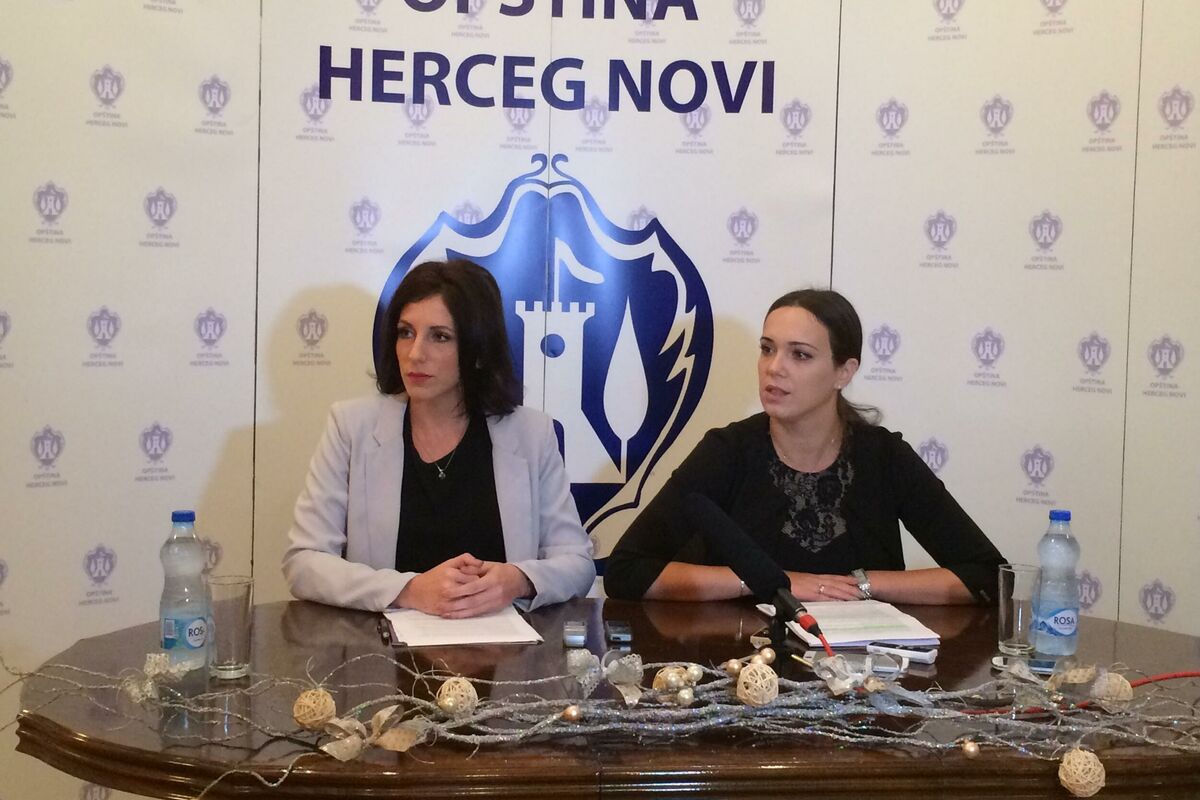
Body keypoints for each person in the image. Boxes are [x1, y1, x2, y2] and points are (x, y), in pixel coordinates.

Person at [604, 288, 1004, 605]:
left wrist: (861, 585)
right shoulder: (727, 451)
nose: (774, 367)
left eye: (800, 355)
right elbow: (627, 571)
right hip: (745, 664)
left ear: (844, 372)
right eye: (767, 349)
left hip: (859, 667)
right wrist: (768, 581)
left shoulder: (883, 456)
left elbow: (987, 576)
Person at [283, 259, 595, 617]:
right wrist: (409, 590)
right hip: (382, 646)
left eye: (440, 336)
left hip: (500, 644)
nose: (416, 353)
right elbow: (304, 562)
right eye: (406, 333)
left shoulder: (531, 433)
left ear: (478, 351)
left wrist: (518, 580)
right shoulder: (351, 426)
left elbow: (578, 563)